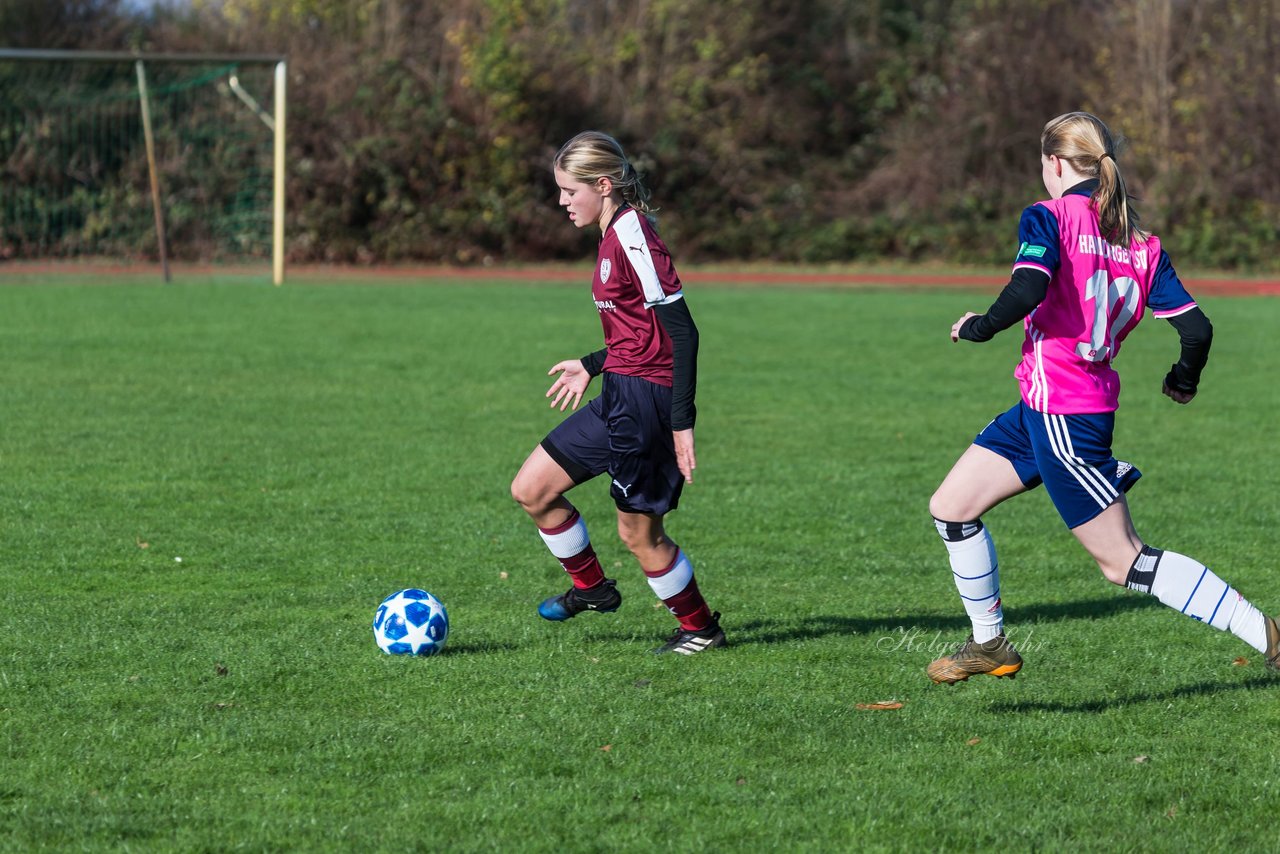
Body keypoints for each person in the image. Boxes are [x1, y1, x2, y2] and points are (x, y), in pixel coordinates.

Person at [926, 111, 1277, 684]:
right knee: (952, 508)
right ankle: (989, 644)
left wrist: (979, 326)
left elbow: (1029, 285)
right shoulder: (1141, 243)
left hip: (1064, 415)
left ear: (1055, 164)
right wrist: (1183, 379)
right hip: (1044, 408)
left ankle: (1267, 634)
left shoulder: (1048, 216)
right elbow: (1197, 331)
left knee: (1124, 562)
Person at [510, 131, 724, 655]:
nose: (562, 202)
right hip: (618, 396)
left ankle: (700, 629)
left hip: (647, 405)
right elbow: (637, 333)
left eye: (569, 191)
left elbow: (683, 332)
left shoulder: (634, 237)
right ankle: (594, 590)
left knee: (639, 536)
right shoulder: (610, 236)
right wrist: (592, 364)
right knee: (532, 489)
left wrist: (681, 420)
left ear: (602, 185)